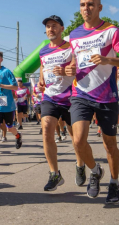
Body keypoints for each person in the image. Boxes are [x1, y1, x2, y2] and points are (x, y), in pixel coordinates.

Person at [65, 0, 119, 204]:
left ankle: (114, 183)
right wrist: (69, 69)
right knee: (78, 140)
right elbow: (73, 63)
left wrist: (107, 60)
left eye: (91, 5)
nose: (86, 8)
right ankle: (94, 171)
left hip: (107, 96)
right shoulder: (73, 35)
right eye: (83, 5)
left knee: (110, 145)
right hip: (81, 93)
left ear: (100, 7)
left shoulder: (111, 31)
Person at [37, 15, 84, 191]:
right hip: (50, 96)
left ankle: (80, 165)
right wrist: (41, 79)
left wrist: (65, 71)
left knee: (77, 139)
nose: (51, 29)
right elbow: (43, 66)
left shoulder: (71, 48)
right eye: (48, 26)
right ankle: (54, 174)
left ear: (62, 29)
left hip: (71, 97)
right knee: (47, 131)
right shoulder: (43, 51)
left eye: (54, 26)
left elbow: (77, 68)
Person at [0, 51, 22, 163]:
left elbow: (15, 87)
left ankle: (17, 136)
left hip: (8, 106)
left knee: (9, 128)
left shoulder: (7, 72)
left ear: (1, 59)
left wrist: (1, 85)